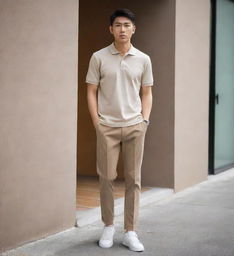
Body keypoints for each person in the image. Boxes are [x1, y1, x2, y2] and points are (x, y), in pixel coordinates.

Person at [86, 8, 153, 252]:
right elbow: (91, 91)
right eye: (118, 25)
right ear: (110, 29)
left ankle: (131, 232)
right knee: (106, 178)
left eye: (127, 25)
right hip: (108, 127)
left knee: (134, 180)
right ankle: (108, 226)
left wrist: (144, 121)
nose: (122, 29)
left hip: (135, 126)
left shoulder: (144, 59)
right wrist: (97, 122)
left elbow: (147, 92)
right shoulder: (99, 57)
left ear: (134, 29)